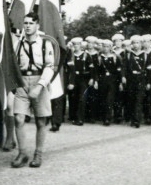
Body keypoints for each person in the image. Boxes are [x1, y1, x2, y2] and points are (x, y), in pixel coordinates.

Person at [11, 13, 55, 168]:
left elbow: (50, 67)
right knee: (18, 118)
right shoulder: (18, 44)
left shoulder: (44, 44)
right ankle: (22, 153)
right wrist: (16, 83)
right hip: (22, 82)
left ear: (38, 25)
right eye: (25, 23)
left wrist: (40, 86)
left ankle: (38, 153)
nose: (28, 26)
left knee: (41, 120)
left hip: (39, 82)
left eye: (31, 23)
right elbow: (13, 65)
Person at [65, 37, 94, 126]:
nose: (76, 46)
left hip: (83, 79)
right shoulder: (71, 55)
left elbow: (91, 68)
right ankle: (74, 117)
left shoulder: (86, 55)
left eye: (78, 44)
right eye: (74, 45)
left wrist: (92, 78)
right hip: (73, 80)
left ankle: (80, 119)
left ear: (81, 45)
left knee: (82, 98)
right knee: (74, 99)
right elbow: (68, 69)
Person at [95, 39, 123, 126]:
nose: (105, 48)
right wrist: (96, 81)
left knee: (109, 99)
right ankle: (104, 117)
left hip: (113, 80)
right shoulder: (99, 57)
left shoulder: (116, 57)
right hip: (102, 80)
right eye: (104, 46)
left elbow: (119, 71)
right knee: (103, 98)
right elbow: (96, 71)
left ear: (111, 47)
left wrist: (121, 82)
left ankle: (108, 118)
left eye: (107, 46)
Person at [124, 35, 146, 128]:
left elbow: (149, 69)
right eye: (134, 43)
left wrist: (150, 81)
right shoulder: (129, 55)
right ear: (131, 45)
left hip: (141, 79)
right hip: (131, 79)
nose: (136, 45)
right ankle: (133, 119)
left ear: (141, 44)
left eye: (137, 43)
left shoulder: (145, 55)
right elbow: (124, 67)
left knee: (138, 99)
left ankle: (137, 120)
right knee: (131, 99)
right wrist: (123, 77)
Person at [112, 34, 126, 123]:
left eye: (120, 41)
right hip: (113, 76)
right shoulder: (112, 51)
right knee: (114, 95)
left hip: (122, 75)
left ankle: (120, 115)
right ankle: (116, 115)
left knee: (121, 96)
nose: (118, 43)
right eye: (116, 41)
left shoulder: (125, 52)